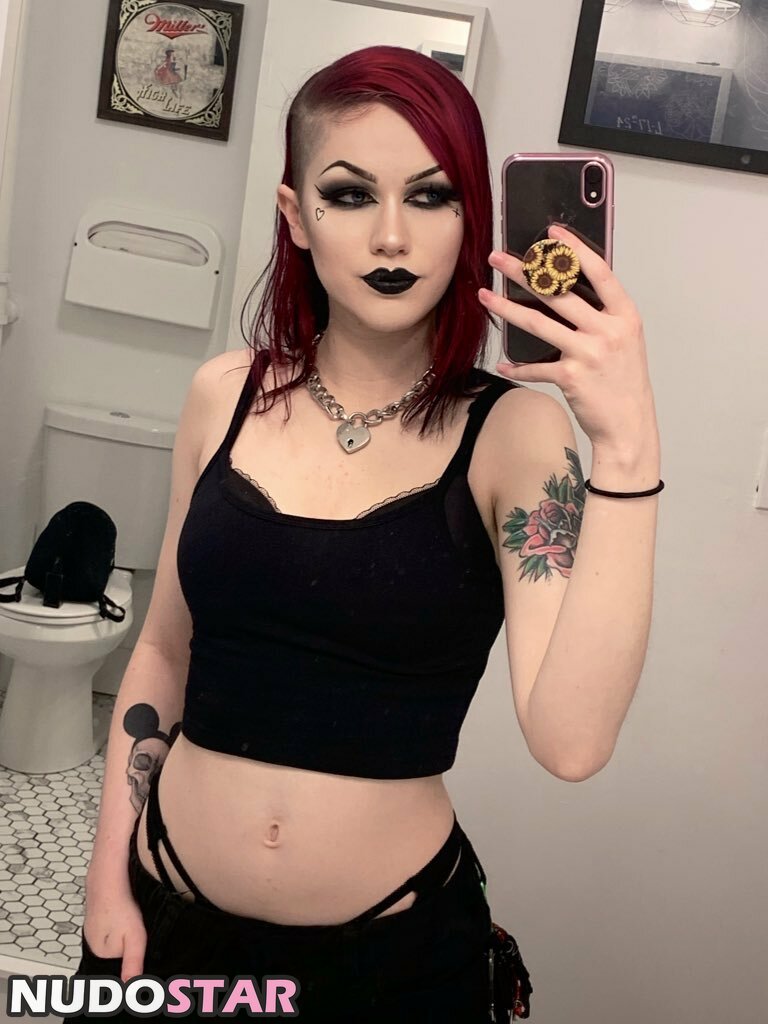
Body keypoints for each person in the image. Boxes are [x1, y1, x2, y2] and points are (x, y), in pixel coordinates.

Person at [63, 44, 661, 1023]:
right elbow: (164, 649)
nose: (392, 235)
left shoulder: (516, 435)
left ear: (473, 218)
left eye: (430, 196)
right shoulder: (224, 393)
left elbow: (572, 742)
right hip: (166, 922)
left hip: (391, 963)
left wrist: (628, 446)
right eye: (349, 195)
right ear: (297, 214)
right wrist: (106, 872)